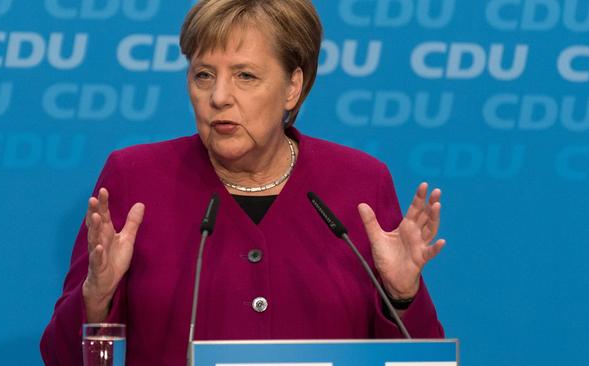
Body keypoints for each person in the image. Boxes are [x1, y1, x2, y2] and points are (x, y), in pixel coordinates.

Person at [40, 0, 446, 364]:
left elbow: (418, 362)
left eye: (245, 76)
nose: (218, 96)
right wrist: (96, 299)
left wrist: (400, 296)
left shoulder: (360, 184)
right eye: (203, 75)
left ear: (292, 86)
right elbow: (61, 358)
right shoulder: (136, 179)